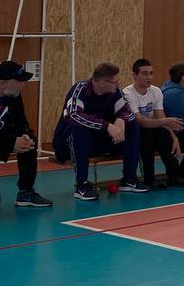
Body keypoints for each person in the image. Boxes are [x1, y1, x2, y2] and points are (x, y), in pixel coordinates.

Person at [59, 62, 148, 201]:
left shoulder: (115, 92)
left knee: (133, 126)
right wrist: (107, 126)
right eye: (115, 82)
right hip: (71, 143)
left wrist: (120, 120)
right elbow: (73, 115)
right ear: (101, 83)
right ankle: (81, 185)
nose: (118, 85)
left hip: (102, 140)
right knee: (79, 130)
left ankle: (129, 178)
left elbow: (128, 112)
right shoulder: (80, 89)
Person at [123, 59, 184, 188]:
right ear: (135, 75)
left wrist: (174, 137)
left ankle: (174, 175)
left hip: (153, 128)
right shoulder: (128, 93)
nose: (149, 77)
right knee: (147, 134)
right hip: (135, 132)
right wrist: (166, 121)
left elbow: (160, 117)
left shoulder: (156, 91)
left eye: (151, 73)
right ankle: (149, 178)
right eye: (144, 73)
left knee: (163, 134)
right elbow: (140, 121)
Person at [0, 60, 52, 209]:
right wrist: (11, 143)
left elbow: (21, 121)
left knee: (29, 141)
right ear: (2, 83)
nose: (22, 85)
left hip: (2, 138)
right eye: (18, 81)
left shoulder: (14, 95)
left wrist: (24, 135)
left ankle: (26, 191)